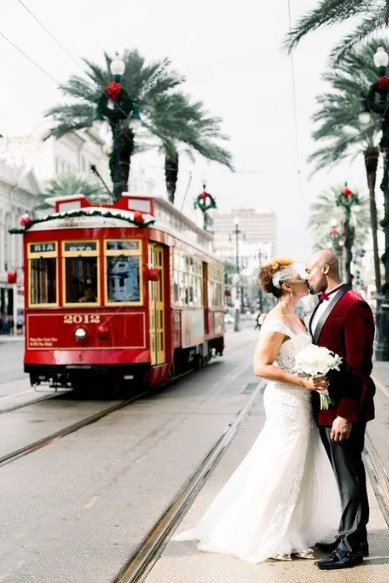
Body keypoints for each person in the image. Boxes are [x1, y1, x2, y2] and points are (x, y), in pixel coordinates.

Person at [173, 257, 340, 562]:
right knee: (282, 463)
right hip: (287, 401)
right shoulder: (275, 320)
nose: (305, 277)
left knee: (299, 465)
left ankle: (293, 531)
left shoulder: (298, 317)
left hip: (303, 400)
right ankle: (272, 534)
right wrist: (301, 382)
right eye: (298, 276)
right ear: (287, 286)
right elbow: (260, 367)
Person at [305, 250, 375, 571]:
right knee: (343, 476)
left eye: (309, 270)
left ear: (325, 267)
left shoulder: (354, 305)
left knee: (350, 477)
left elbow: (359, 366)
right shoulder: (322, 303)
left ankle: (351, 547)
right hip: (325, 407)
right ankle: (352, 536)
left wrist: (346, 413)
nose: (307, 276)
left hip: (344, 409)